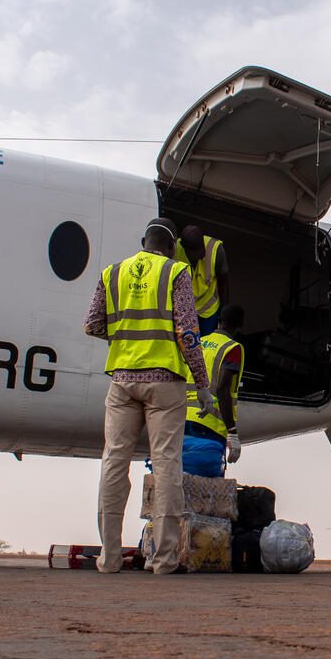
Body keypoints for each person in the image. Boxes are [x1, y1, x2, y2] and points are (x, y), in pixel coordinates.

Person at [83, 217, 215, 574]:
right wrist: (202, 386)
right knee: (167, 464)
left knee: (114, 462)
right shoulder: (175, 273)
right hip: (164, 381)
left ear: (143, 241)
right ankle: (164, 560)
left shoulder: (113, 273)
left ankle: (109, 558)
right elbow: (188, 333)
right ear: (171, 247)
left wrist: (125, 339)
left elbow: (92, 324)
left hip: (122, 381)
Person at [182, 304, 246, 477]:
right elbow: (223, 390)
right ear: (240, 325)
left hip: (183, 419)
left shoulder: (199, 343)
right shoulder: (232, 349)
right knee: (207, 487)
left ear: (218, 321)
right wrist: (232, 432)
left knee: (181, 480)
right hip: (208, 425)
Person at [174, 225, 229, 337]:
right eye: (195, 252)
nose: (201, 254)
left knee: (205, 346)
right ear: (184, 247)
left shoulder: (216, 250)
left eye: (201, 248)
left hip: (208, 309)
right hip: (183, 309)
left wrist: (224, 313)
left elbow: (223, 282)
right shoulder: (174, 250)